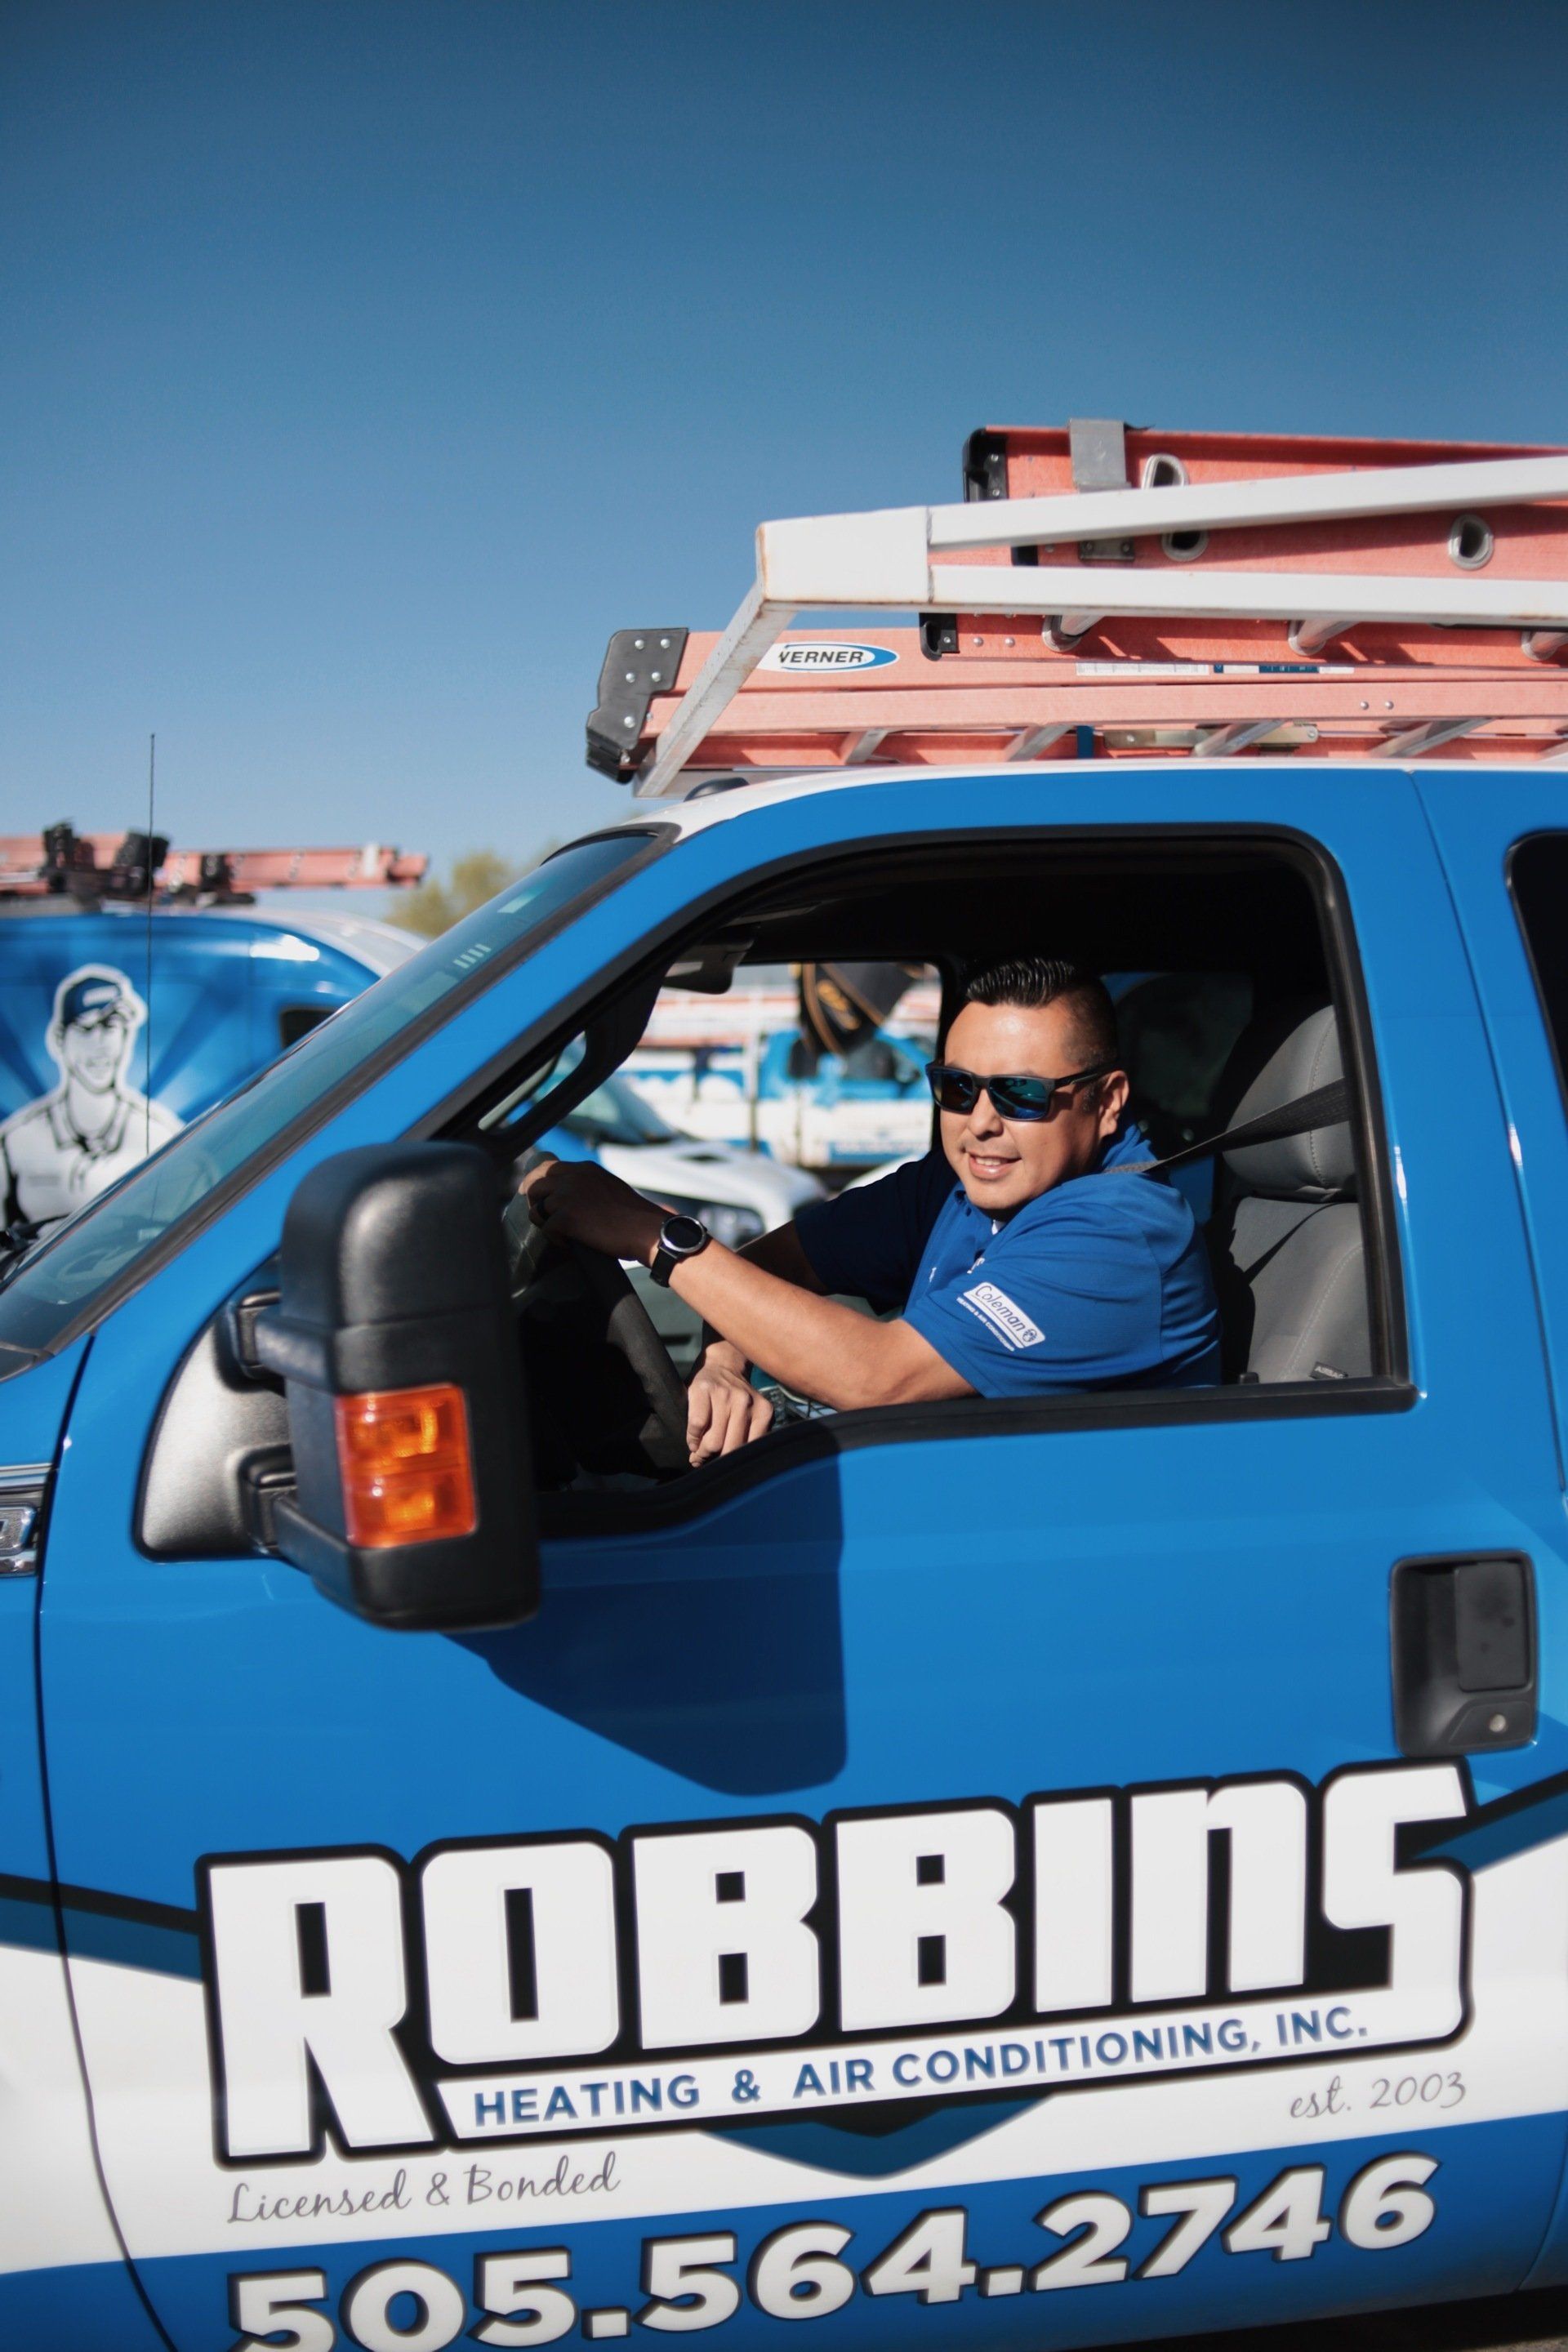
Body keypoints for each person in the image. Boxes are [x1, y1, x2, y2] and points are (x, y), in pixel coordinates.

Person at [524, 958, 1221, 1466]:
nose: (980, 1123)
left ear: (1107, 1102)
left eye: (1021, 1095)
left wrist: (654, 1236)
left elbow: (878, 1376)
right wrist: (723, 1366)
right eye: (957, 1088)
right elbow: (779, 1263)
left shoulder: (1121, 1235)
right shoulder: (954, 1184)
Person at [0, 964, 182, 1231]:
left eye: (110, 1027)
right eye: (86, 1028)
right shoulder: (17, 1143)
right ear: (61, 1040)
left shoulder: (161, 1137)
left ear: (125, 1037)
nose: (101, 1044)